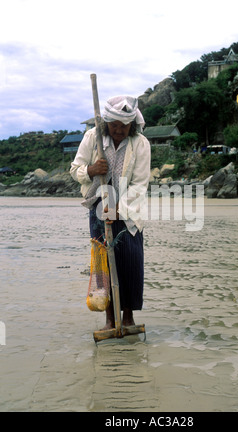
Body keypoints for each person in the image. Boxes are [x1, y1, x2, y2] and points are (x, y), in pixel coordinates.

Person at [70, 95, 151, 330]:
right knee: (103, 264)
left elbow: (140, 184)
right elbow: (75, 170)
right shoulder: (92, 138)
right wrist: (92, 170)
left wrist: (119, 209)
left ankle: (127, 319)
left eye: (124, 126)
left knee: (130, 261)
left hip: (129, 211)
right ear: (106, 124)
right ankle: (109, 319)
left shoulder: (140, 144)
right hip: (98, 206)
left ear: (132, 125)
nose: (119, 130)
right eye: (114, 125)